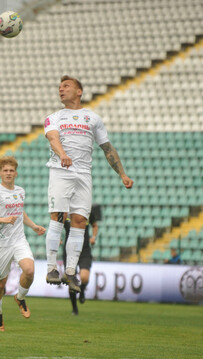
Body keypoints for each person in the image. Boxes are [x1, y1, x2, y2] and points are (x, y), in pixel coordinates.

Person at [44, 75, 134, 293]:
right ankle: (50, 268)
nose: (61, 89)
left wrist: (122, 174)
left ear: (79, 91)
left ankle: (71, 271)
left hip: (84, 174)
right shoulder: (53, 117)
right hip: (61, 171)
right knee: (58, 217)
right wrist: (63, 154)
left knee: (80, 221)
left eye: (66, 86)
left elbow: (107, 148)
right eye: (59, 87)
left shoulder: (93, 118)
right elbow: (53, 138)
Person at [0, 156, 46, 331]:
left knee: (30, 270)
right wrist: (2, 220)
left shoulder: (20, 191)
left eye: (11, 171)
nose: (8, 173)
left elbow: (20, 212)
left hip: (19, 240)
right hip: (1, 245)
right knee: (0, 284)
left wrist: (33, 226)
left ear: (15, 173)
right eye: (5, 171)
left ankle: (20, 297)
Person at [62, 206, 99, 315]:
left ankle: (82, 291)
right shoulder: (65, 211)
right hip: (69, 250)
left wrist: (93, 237)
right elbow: (57, 226)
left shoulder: (86, 209)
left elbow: (95, 225)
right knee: (71, 280)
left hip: (84, 249)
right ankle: (74, 308)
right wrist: (57, 237)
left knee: (84, 277)